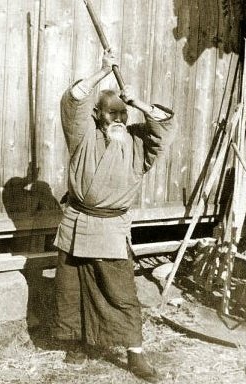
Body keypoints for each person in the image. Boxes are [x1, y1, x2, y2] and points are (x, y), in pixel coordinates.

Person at [53, 49, 174, 383]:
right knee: (72, 290)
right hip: (77, 223)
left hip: (110, 229)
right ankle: (78, 343)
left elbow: (164, 125)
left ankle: (135, 354)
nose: (118, 119)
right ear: (97, 115)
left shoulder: (138, 144)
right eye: (111, 113)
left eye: (123, 113)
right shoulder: (83, 136)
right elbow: (73, 101)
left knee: (121, 294)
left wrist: (139, 104)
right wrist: (101, 72)